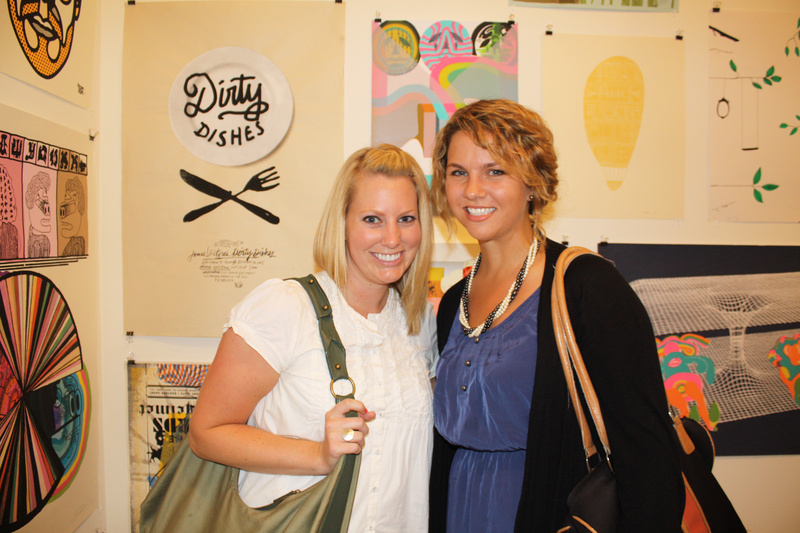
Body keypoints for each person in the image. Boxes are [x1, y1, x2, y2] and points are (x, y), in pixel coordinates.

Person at [428, 99, 684, 532]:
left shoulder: (587, 287)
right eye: (458, 172)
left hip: (545, 513)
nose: (473, 190)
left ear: (532, 181)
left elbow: (647, 453)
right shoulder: (454, 302)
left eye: (495, 171)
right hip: (460, 508)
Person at [188, 144, 437, 532]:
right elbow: (206, 435)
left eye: (406, 218)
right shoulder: (285, 307)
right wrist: (317, 454)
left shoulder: (418, 321)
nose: (392, 238)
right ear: (342, 223)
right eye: (372, 219)